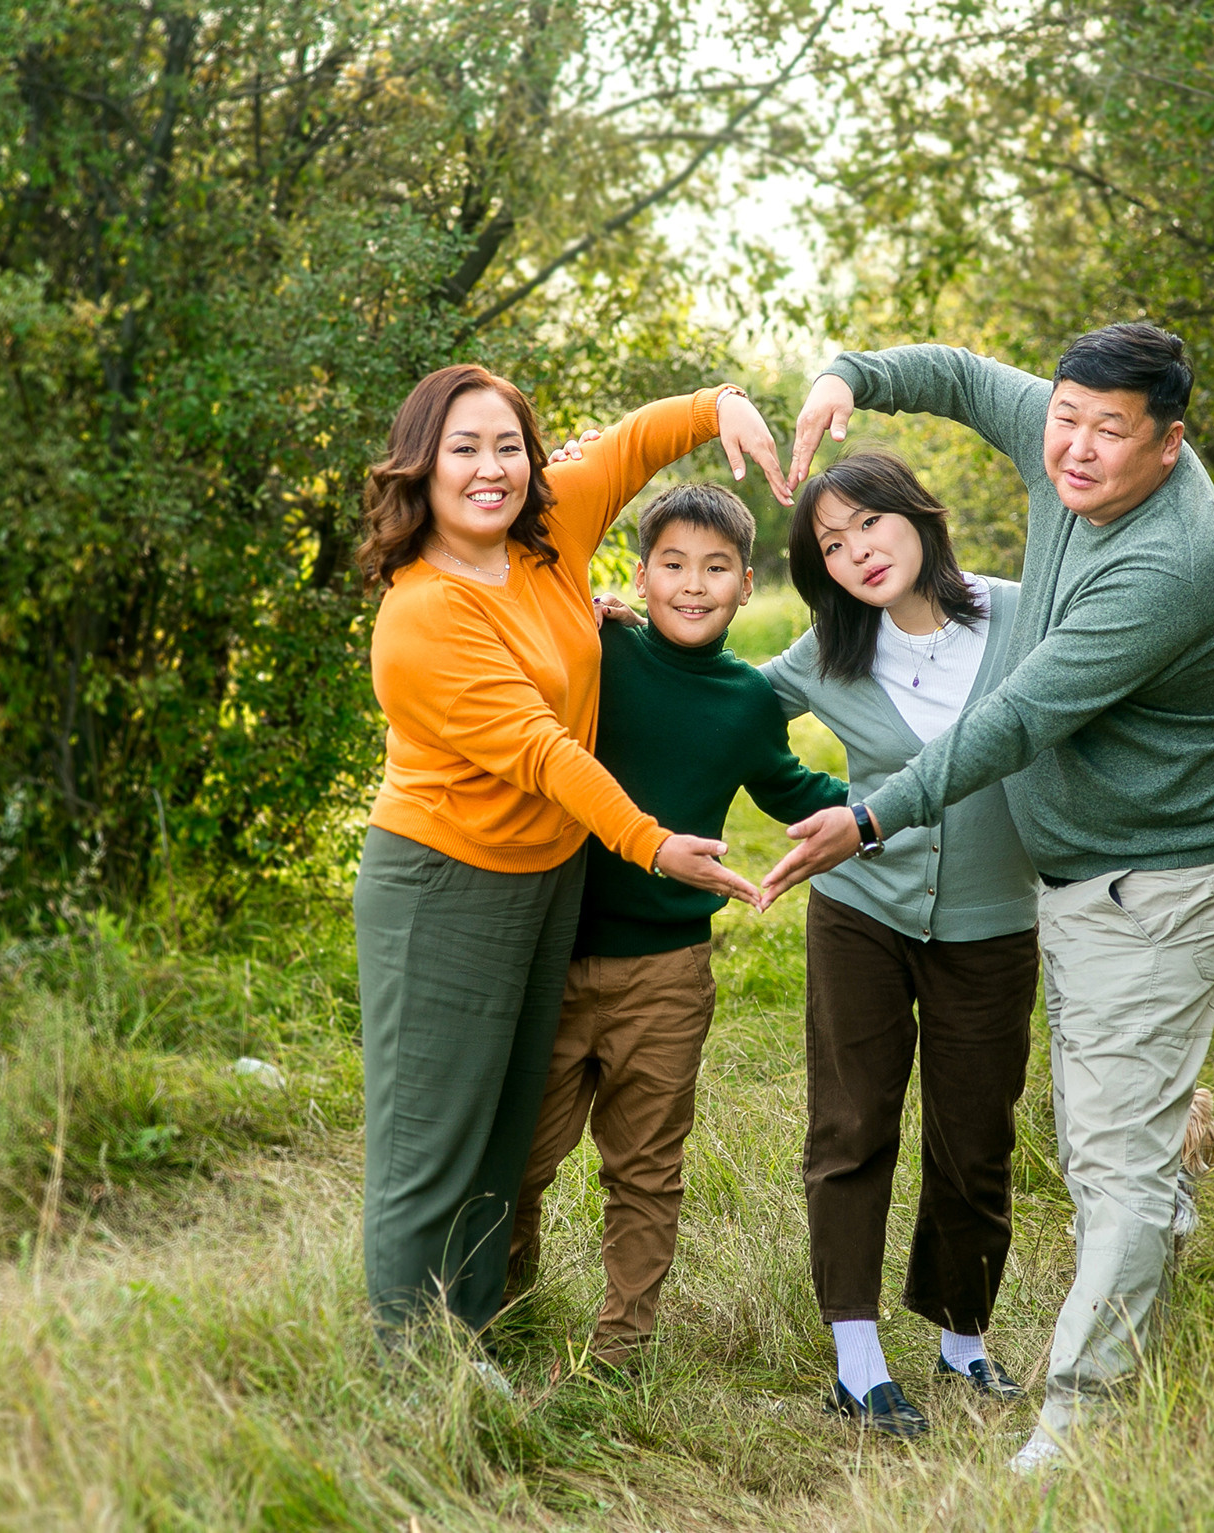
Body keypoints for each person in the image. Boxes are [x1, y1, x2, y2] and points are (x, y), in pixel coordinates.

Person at [764, 324, 1214, 1471]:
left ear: (1168, 443)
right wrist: (852, 375)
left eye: (1109, 433)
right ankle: (1146, 1210)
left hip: (1156, 880)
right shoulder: (1061, 438)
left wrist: (874, 813)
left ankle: (1081, 1418)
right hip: (1087, 885)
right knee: (1107, 1128)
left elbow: (1015, 719)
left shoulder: (1166, 564)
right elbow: (946, 376)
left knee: (1104, 1157)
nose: (1075, 451)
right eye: (1064, 422)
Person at [352, 364, 788, 1381]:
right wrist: (651, 842)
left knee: (503, 1134)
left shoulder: (544, 533)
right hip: (442, 884)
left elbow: (633, 443)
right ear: (421, 467)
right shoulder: (421, 617)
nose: (490, 469)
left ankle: (476, 1337)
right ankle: (411, 1378)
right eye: (462, 449)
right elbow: (545, 751)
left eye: (507, 444)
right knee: (431, 1146)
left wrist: (719, 405)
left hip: (545, 885)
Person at [506, 482, 846, 1369]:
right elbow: (511, 658)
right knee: (516, 1161)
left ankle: (621, 1347)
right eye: (673, 564)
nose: (693, 585)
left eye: (717, 568)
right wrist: (569, 609)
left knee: (646, 1168)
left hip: (665, 972)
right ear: (641, 575)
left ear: (745, 586)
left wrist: (918, 795)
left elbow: (798, 792)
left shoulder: (743, 702)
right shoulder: (598, 650)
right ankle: (501, 1317)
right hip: (552, 954)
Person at [762, 450, 1042, 1440]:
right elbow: (723, 702)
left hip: (995, 921)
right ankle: (856, 1359)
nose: (854, 552)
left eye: (867, 523)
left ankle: (963, 1341)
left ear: (918, 514)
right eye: (829, 546)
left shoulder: (1021, 614)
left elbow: (1118, 669)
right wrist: (620, 637)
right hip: (858, 914)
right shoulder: (828, 652)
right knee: (851, 1126)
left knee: (975, 1134)